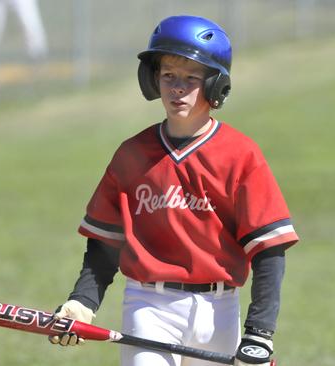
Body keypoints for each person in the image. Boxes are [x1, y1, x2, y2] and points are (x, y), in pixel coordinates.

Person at [48, 15, 299, 366]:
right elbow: (105, 243)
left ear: (216, 86)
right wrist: (82, 302)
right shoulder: (132, 154)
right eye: (168, 76)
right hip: (149, 305)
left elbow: (268, 251)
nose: (177, 88)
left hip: (219, 309)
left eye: (191, 79)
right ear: (152, 80)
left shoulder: (240, 155)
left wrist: (259, 333)